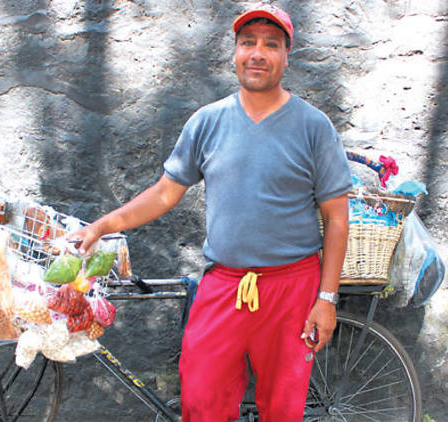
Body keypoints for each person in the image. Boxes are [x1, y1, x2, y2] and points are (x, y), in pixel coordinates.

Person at [68, 4, 352, 421]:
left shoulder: (313, 127)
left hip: (292, 287)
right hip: (224, 285)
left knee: (283, 407)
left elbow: (337, 218)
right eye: (247, 42)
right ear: (235, 52)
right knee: (201, 397)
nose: (257, 53)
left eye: (271, 45)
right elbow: (165, 194)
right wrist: (103, 225)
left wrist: (326, 299)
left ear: (286, 56)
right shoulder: (207, 122)